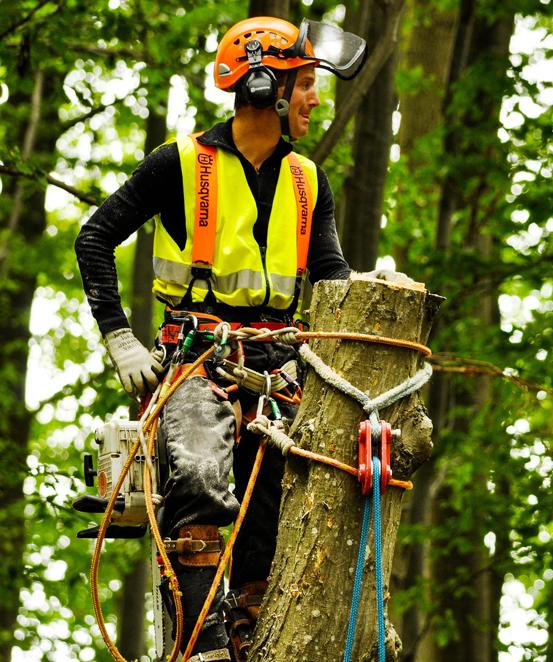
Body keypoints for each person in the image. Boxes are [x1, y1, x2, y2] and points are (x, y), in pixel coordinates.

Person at [75, 15, 403, 662]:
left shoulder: (307, 180)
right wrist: (120, 338)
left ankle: (253, 628)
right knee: (198, 474)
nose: (314, 98)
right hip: (199, 356)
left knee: (272, 510)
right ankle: (201, 644)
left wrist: (370, 286)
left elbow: (330, 277)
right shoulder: (179, 164)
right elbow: (94, 238)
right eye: (306, 84)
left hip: (282, 367)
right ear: (264, 87)